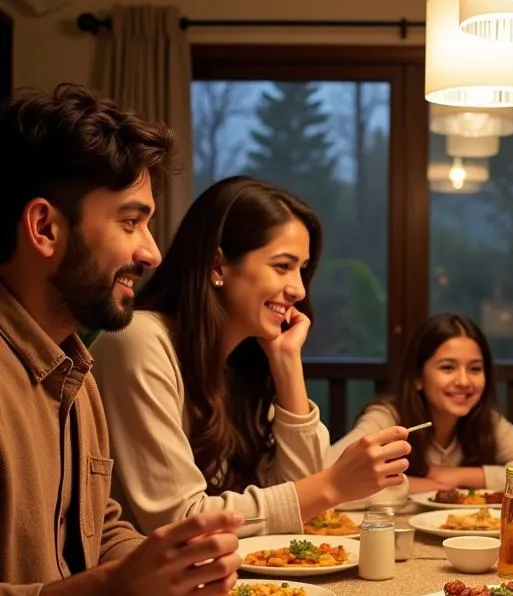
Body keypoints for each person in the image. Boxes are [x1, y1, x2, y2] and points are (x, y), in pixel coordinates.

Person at [0, 83, 243, 596]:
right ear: (44, 228)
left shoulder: (74, 372)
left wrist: (172, 566)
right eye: (131, 221)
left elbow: (99, 525)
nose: (153, 253)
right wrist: (115, 592)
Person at [90, 176, 411, 534]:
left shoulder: (241, 363)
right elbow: (181, 519)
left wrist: (287, 364)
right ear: (217, 266)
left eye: (302, 270)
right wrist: (333, 484)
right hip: (143, 584)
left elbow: (299, 508)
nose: (298, 290)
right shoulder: (139, 340)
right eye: (282, 266)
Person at [331, 313, 513, 493]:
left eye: (475, 369)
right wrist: (419, 484)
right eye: (448, 368)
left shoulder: (486, 421)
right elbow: (327, 473)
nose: (464, 381)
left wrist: (459, 476)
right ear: (417, 377)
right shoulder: (388, 418)